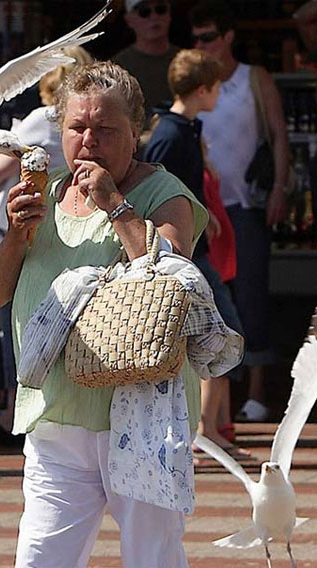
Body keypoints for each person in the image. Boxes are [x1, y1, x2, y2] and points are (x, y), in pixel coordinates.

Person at [0, 61, 209, 567]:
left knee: (153, 558)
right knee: (40, 559)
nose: (88, 140)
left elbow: (173, 278)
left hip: (144, 414)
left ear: (136, 133)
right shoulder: (45, 193)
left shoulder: (164, 194)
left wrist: (115, 204)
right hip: (56, 414)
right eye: (77, 127)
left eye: (105, 129)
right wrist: (16, 235)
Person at [0, 46, 92, 445]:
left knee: (22, 321)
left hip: (31, 234)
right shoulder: (94, 127)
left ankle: (15, 410)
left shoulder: (42, 120)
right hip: (78, 231)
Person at [144, 49, 249, 458]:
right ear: (204, 88)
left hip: (194, 248)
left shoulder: (183, 129)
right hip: (181, 256)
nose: (220, 94)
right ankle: (207, 430)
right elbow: (156, 188)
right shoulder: (171, 134)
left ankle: (212, 428)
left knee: (220, 334)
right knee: (221, 333)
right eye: (218, 87)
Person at [191, 0, 290, 422]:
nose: (202, 45)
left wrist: (280, 188)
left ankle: (255, 391)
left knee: (251, 295)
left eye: (208, 37)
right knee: (212, 299)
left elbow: (280, 136)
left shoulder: (255, 78)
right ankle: (221, 403)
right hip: (208, 207)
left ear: (228, 37)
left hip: (246, 203)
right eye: (196, 39)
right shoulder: (197, 81)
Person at [112, 0, 179, 120]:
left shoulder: (186, 61)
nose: (154, 17)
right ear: (129, 20)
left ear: (169, 14)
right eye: (144, 12)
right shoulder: (117, 69)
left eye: (160, 9)